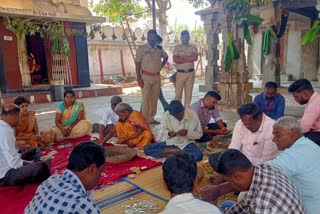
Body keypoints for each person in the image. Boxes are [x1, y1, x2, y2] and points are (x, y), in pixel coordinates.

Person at [209, 149, 305, 213]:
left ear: (236, 177)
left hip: (269, 208)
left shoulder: (262, 204)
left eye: (228, 181)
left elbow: (260, 205)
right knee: (227, 205)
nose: (230, 185)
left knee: (221, 207)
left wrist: (210, 206)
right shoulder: (265, 168)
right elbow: (245, 203)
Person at [25, 141, 106, 213]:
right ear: (91, 169)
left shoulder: (50, 181)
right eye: (100, 171)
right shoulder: (81, 205)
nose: (100, 176)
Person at [266, 116, 320, 213]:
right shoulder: (309, 145)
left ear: (292, 133)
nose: (274, 140)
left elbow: (262, 172)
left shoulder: (295, 154)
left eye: (277, 135)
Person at [0, 104, 50, 187]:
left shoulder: (4, 126)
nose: (19, 118)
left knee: (35, 150)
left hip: (8, 163)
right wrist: (34, 163)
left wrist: (19, 149)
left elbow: (8, 151)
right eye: (18, 116)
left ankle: (33, 168)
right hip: (5, 176)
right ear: (15, 115)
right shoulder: (5, 131)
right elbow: (15, 163)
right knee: (42, 166)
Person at [135, 29, 168, 124]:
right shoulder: (141, 49)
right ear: (147, 37)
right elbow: (137, 65)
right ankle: (144, 119)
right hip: (146, 77)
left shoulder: (159, 49)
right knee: (145, 99)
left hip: (157, 78)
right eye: (150, 36)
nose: (152, 38)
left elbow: (166, 57)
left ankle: (151, 118)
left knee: (154, 99)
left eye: (154, 37)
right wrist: (139, 79)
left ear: (156, 37)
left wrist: (161, 66)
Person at [288, 78, 320, 145]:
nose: (294, 99)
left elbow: (303, 128)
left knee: (293, 139)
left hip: (318, 133)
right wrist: (292, 123)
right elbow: (304, 119)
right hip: (316, 131)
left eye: (296, 96)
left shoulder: (314, 104)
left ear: (305, 93)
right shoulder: (316, 99)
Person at [173, 30, 198, 108]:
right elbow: (176, 60)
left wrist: (182, 58)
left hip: (190, 74)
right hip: (180, 74)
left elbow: (195, 58)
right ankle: (177, 111)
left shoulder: (192, 47)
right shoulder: (177, 47)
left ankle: (186, 112)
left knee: (188, 95)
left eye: (186, 37)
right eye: (183, 37)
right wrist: (189, 58)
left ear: (189, 37)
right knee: (178, 95)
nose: (185, 38)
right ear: (181, 38)